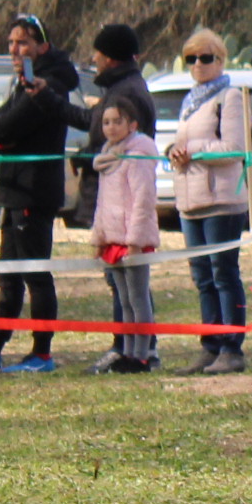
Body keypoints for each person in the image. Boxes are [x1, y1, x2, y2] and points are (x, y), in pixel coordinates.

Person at [0, 46, 76, 373]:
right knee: (8, 275)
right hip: (13, 192)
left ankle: (41, 353)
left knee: (35, 273)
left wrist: (2, 134)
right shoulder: (22, 85)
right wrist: (1, 135)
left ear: (41, 46)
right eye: (10, 42)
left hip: (34, 193)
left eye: (22, 42)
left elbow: (5, 129)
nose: (14, 49)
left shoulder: (48, 86)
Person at [168, 27, 252, 374]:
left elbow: (234, 148)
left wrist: (193, 150)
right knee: (202, 276)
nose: (198, 64)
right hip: (190, 201)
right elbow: (183, 143)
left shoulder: (230, 97)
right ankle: (211, 344)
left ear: (220, 60)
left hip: (222, 200)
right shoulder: (190, 102)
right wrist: (174, 151)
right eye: (191, 58)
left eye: (206, 58)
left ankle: (232, 348)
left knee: (224, 273)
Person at [83, 24, 161, 364]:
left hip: (132, 239)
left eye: (117, 122)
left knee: (137, 299)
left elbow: (142, 200)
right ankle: (126, 351)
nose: (111, 127)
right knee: (123, 298)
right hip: (113, 238)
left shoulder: (138, 152)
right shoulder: (107, 158)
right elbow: (105, 203)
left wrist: (135, 240)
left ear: (132, 124)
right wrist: (100, 237)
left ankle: (143, 354)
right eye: (106, 122)